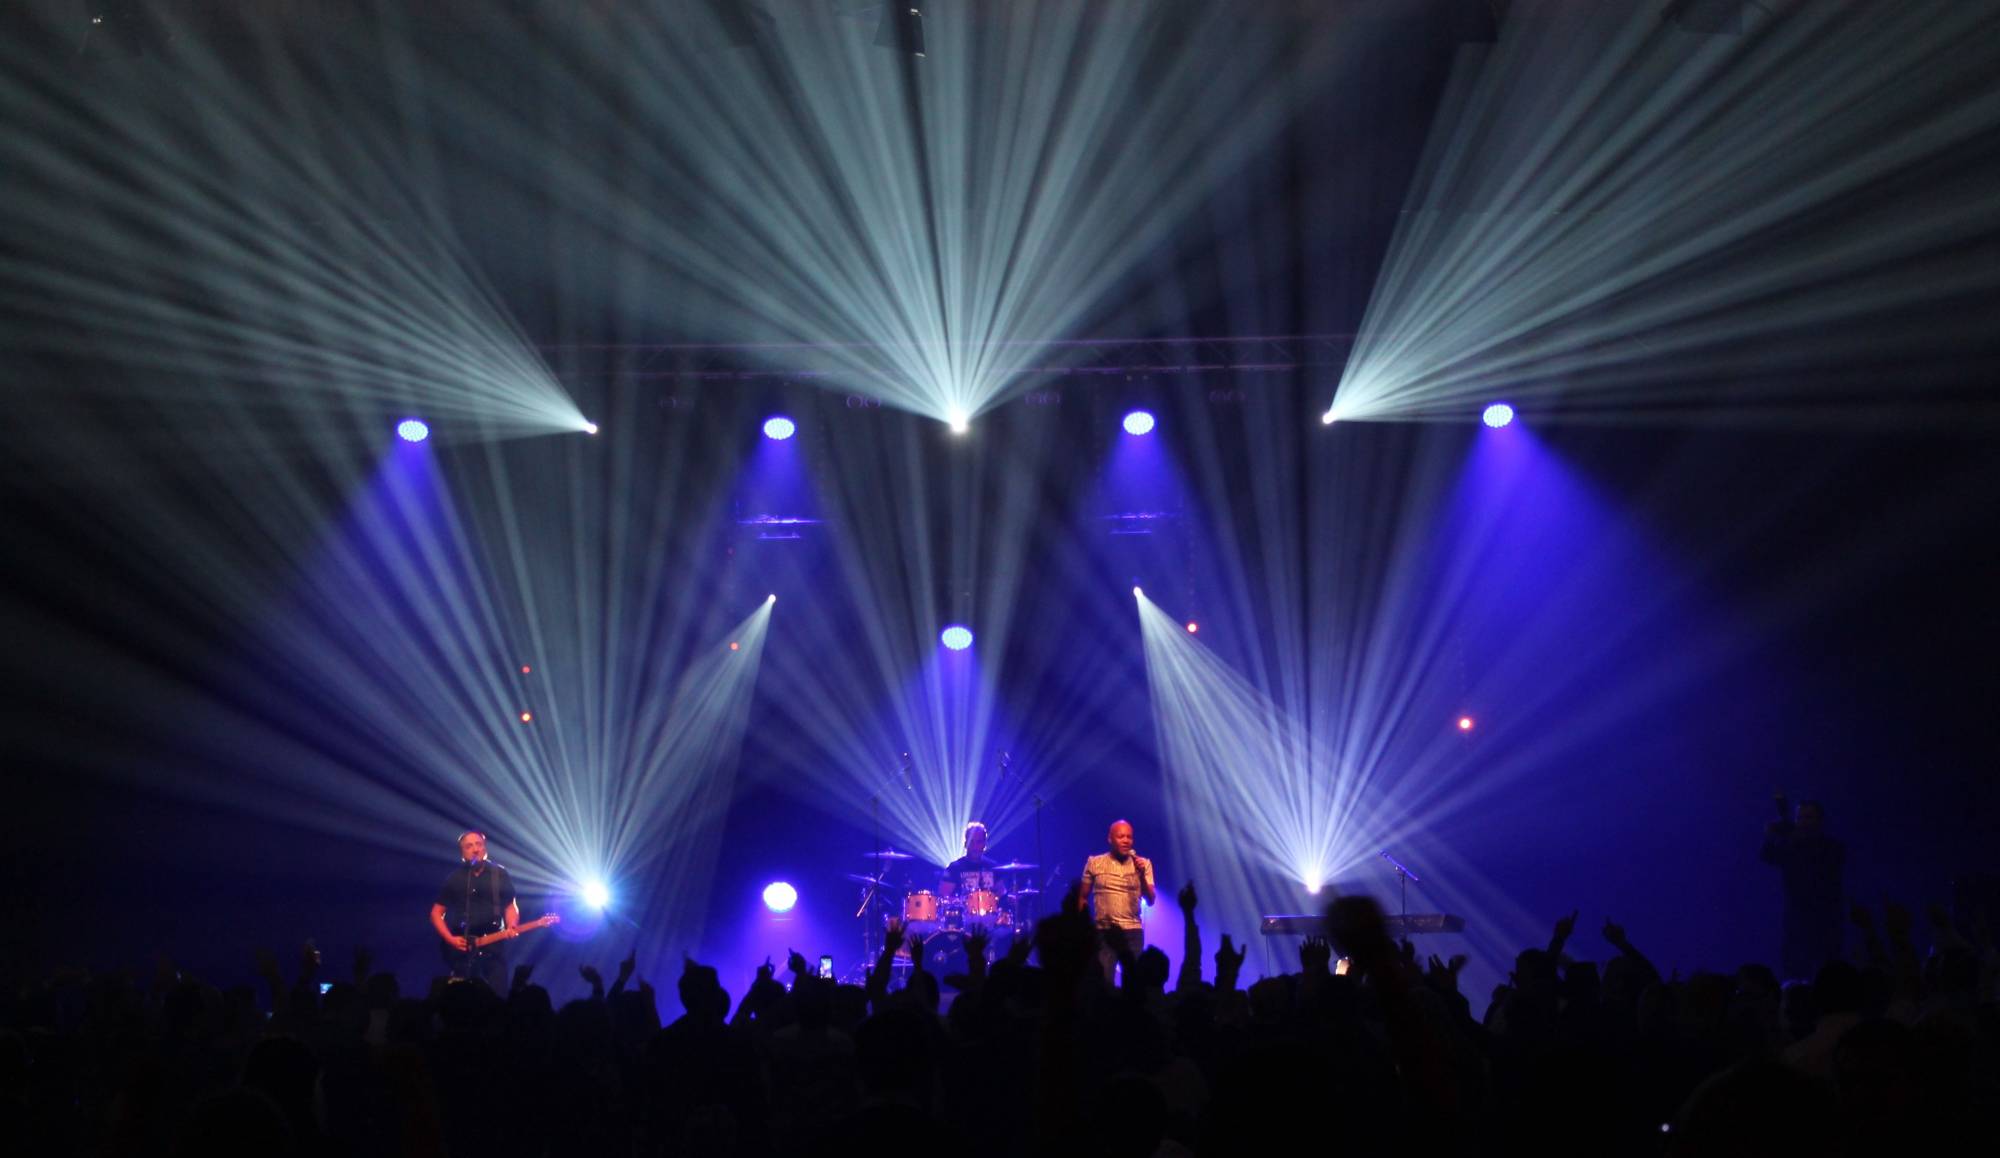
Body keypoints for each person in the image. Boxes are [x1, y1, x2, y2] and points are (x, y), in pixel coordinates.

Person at [1759, 793, 1845, 981]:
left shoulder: (1832, 847)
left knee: (1827, 969)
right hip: (1796, 918)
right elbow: (1767, 855)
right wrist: (1771, 835)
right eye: (1800, 817)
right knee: (1795, 968)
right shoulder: (1791, 845)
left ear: (1820, 820)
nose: (1803, 822)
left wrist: (1788, 837)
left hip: (1826, 918)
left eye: (1808, 817)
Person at [429, 830, 519, 989]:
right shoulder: (455, 878)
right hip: (463, 947)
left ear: (485, 848)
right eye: (469, 846)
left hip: (493, 943)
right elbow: (436, 913)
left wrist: (511, 925)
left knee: (497, 992)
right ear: (462, 852)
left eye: (479, 844)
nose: (476, 849)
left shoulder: (499, 874)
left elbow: (510, 905)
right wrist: (450, 939)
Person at [1079, 819, 1155, 982]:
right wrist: (1083, 928)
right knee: (1105, 981)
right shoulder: (1095, 862)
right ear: (1110, 839)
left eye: (1129, 837)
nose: (1126, 840)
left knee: (1134, 983)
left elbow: (1151, 900)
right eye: (1121, 837)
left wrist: (1141, 875)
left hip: (1132, 931)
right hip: (1104, 931)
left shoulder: (1143, 864)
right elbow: (1082, 897)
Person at [937, 821, 997, 899]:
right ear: (965, 844)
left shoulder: (992, 867)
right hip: (964, 910)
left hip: (990, 910)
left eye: (979, 842)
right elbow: (943, 898)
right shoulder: (954, 868)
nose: (975, 846)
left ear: (984, 844)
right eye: (972, 842)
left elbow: (1001, 894)